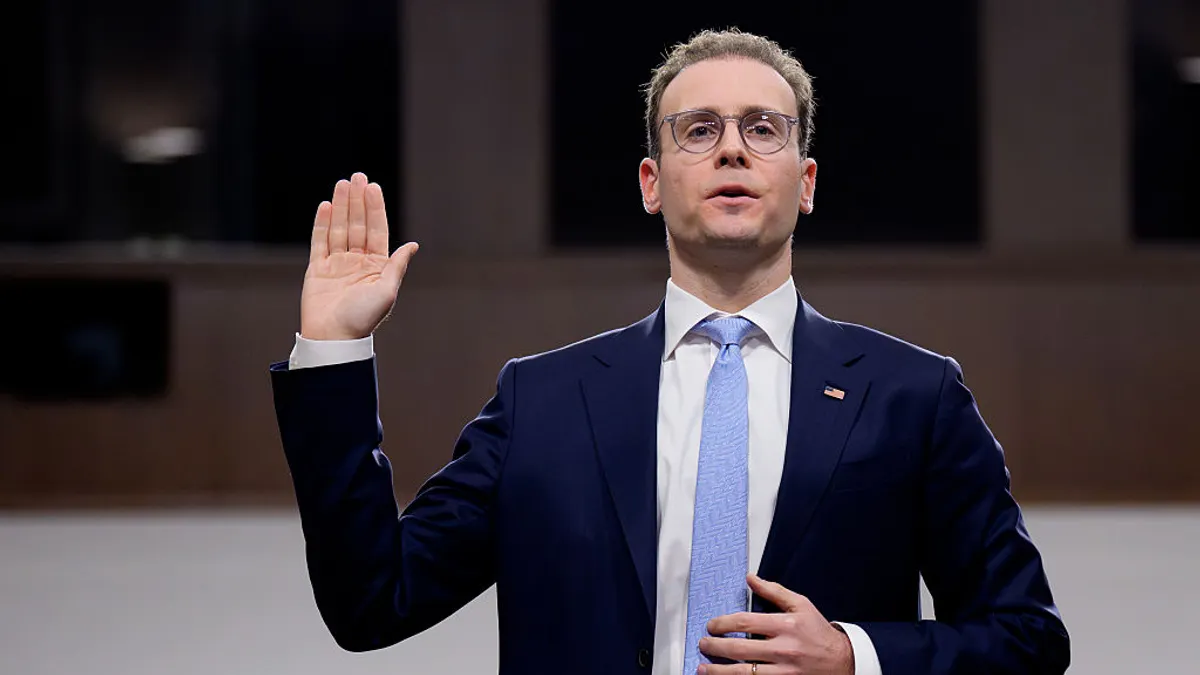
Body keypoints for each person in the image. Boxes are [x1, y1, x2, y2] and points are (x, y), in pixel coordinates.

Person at [270, 29, 1069, 675]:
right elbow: (372, 603)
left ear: (807, 179)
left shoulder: (913, 396)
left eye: (764, 129)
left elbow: (1028, 637)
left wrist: (856, 656)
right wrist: (335, 349)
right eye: (700, 130)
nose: (732, 150)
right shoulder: (541, 400)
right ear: (652, 182)